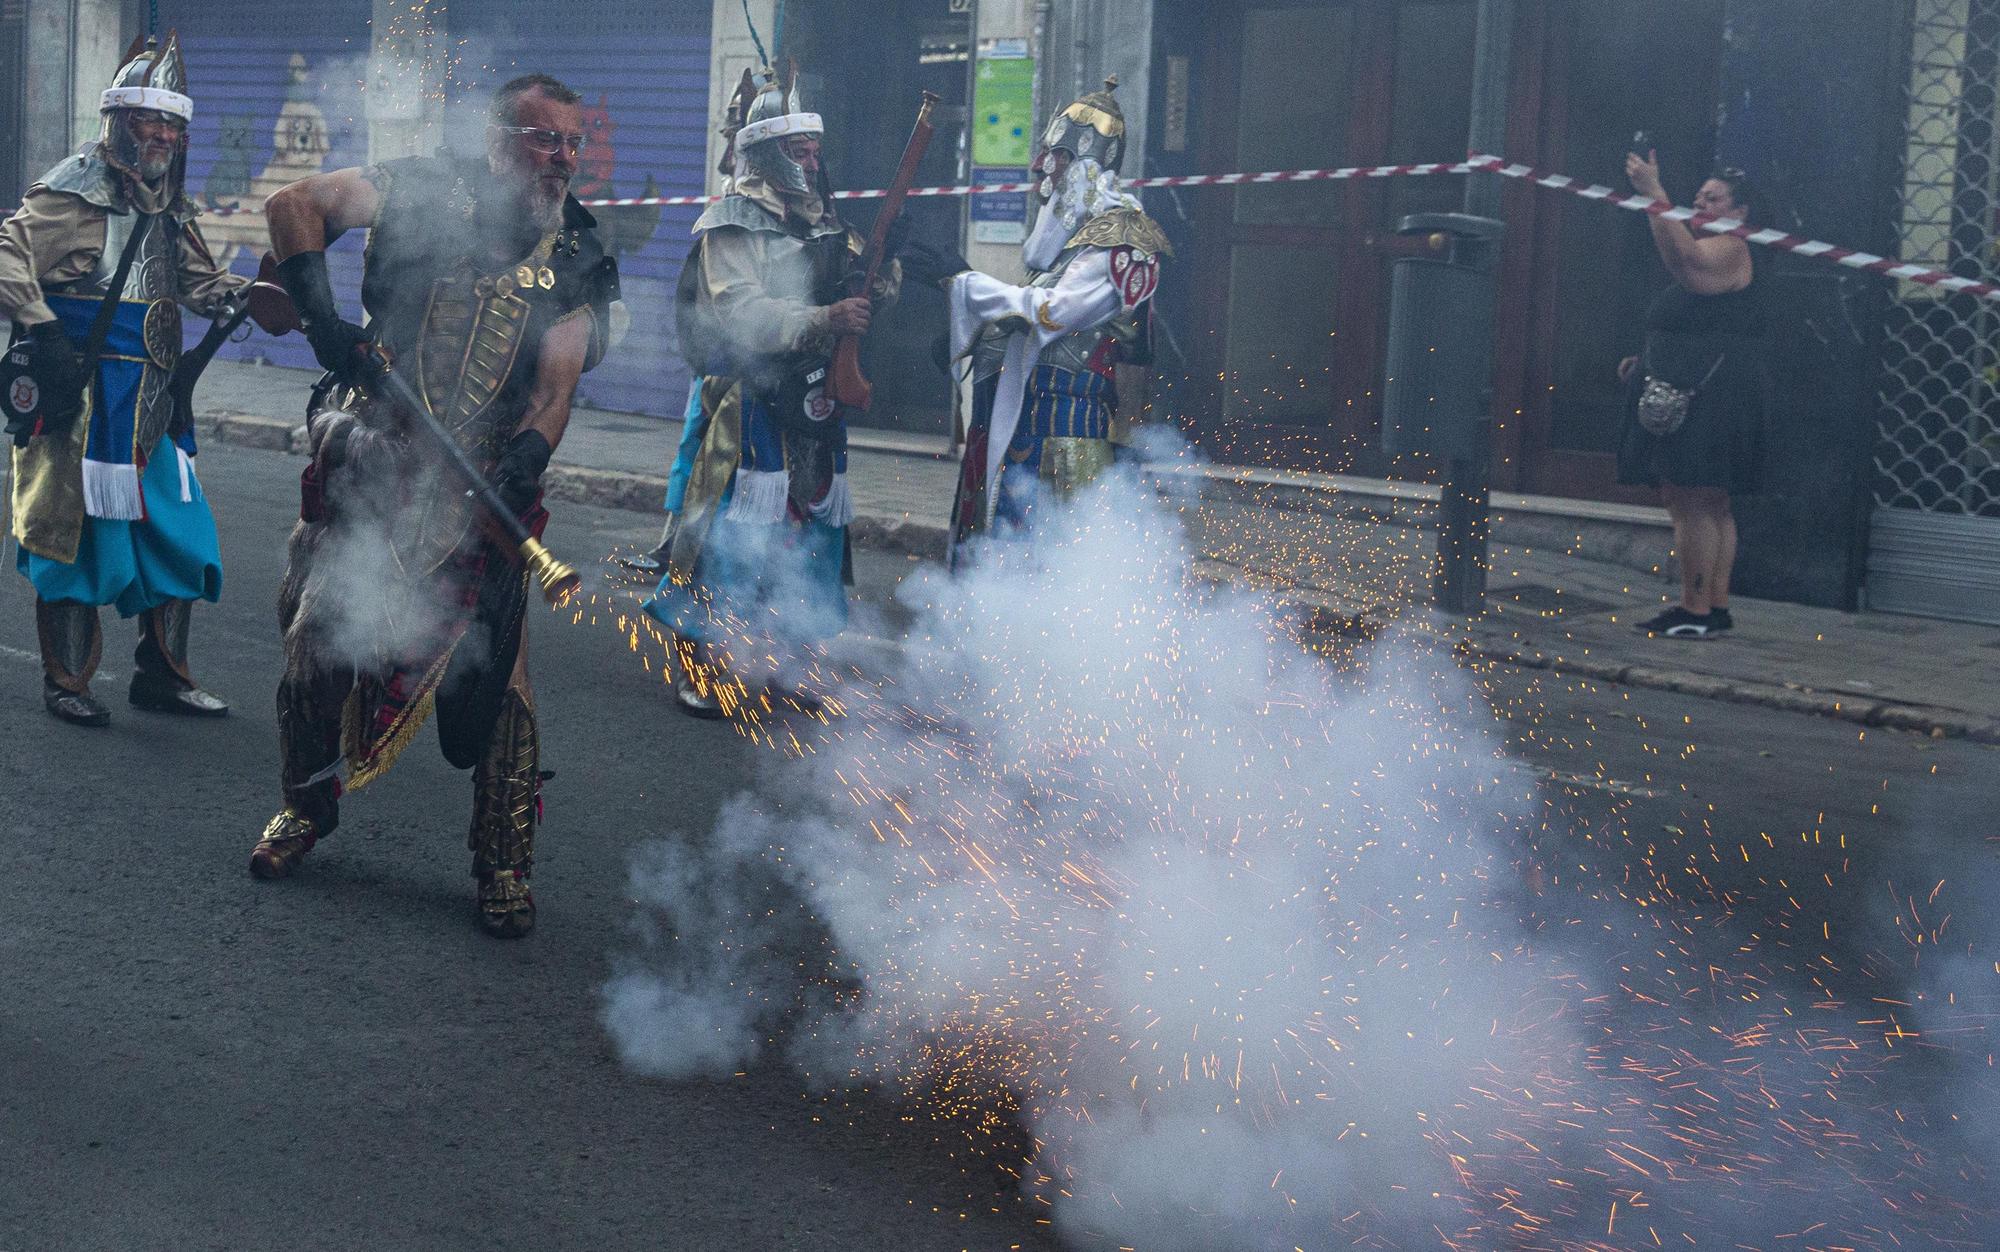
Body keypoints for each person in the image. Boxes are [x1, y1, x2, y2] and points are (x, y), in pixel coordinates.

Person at [248, 73, 620, 938]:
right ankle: (305, 809)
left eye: (571, 143)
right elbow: (295, 205)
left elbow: (557, 384)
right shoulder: (418, 185)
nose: (560, 158)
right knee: (315, 644)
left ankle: (503, 866)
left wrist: (529, 455)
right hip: (374, 455)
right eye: (542, 139)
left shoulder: (576, 254)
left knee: (502, 687)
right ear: (498, 141)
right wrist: (323, 321)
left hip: (482, 481)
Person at [0, 33, 247, 726]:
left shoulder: (168, 206)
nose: (164, 133)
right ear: (119, 122)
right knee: (70, 543)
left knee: (182, 536)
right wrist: (41, 326)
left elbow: (200, 283)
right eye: (151, 119)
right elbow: (5, 253)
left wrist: (250, 295)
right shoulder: (72, 194)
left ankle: (162, 677)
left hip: (153, 408)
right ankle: (67, 683)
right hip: (78, 404)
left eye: (174, 122)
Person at [641, 63, 898, 719]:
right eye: (797, 149)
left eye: (814, 149)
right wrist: (826, 319)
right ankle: (708, 665)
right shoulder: (732, 220)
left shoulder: (824, 219)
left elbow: (863, 285)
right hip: (748, 400)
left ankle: (792, 660)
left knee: (809, 536)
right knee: (727, 539)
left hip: (812, 401)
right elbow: (742, 314)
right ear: (763, 153)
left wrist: (876, 280)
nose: (811, 160)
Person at [900, 77, 1168, 554]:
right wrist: (978, 333)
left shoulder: (1121, 237)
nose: (1043, 169)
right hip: (1027, 424)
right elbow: (1031, 307)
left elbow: (1052, 311)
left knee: (1050, 570)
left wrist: (963, 281)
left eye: (1058, 159)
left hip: (1066, 435)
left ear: (1089, 166)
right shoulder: (1073, 237)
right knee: (1002, 561)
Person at [1616, 153, 1770, 640]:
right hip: (1695, 386)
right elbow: (1677, 254)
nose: (1701, 202)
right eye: (1699, 196)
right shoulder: (1713, 242)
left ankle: (1694, 609)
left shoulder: (1731, 247)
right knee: (1707, 500)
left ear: (1740, 211)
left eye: (1714, 198)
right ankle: (1713, 606)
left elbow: (1688, 264)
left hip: (1711, 396)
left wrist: (1654, 193)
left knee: (1693, 498)